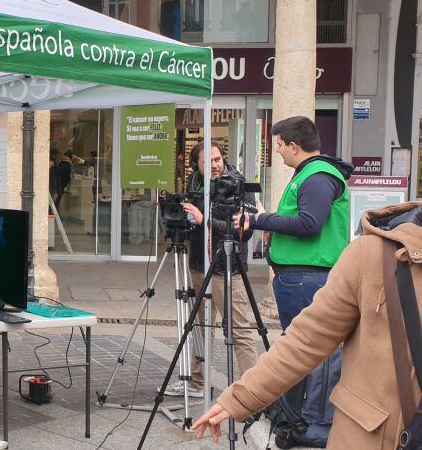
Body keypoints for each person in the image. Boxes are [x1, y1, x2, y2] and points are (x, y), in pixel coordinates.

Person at [194, 201, 422, 449]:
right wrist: (240, 398)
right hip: (377, 437)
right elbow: (306, 339)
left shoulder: (322, 176)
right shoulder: (374, 256)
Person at [236, 115, 353, 444]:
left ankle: (309, 426)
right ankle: (300, 418)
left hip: (308, 279)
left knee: (306, 352)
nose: (278, 152)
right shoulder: (311, 174)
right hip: (301, 278)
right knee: (302, 350)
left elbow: (309, 224)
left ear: (293, 145)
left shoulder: (317, 177)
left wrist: (261, 219)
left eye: (279, 145)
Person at [164, 141, 257, 398]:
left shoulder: (237, 185)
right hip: (197, 264)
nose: (215, 165)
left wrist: (203, 219)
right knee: (199, 328)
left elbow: (242, 232)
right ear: (197, 165)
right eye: (208, 161)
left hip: (225, 266)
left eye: (217, 159)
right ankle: (196, 381)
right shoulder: (195, 183)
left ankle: (254, 389)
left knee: (239, 330)